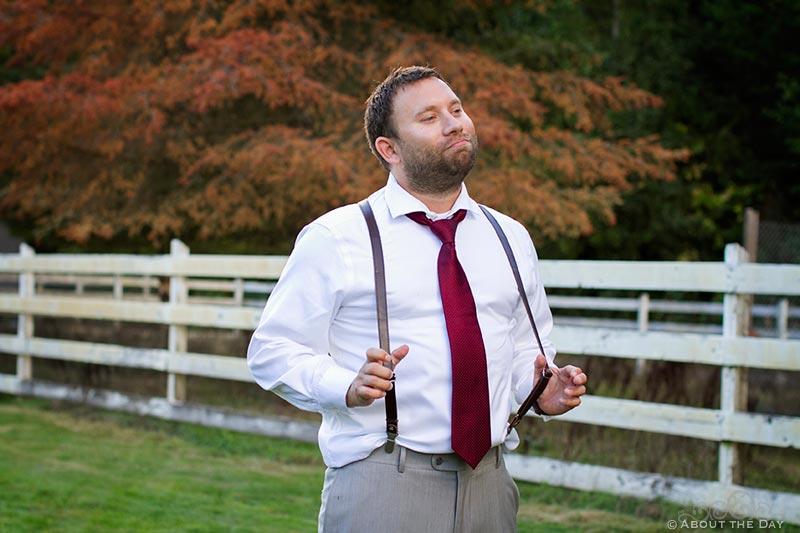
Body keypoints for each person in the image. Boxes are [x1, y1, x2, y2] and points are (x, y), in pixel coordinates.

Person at [247, 65, 587, 532]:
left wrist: (540, 390)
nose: (453, 123)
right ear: (389, 149)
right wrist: (344, 385)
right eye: (428, 118)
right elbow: (272, 350)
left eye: (456, 109)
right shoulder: (338, 236)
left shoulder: (509, 237)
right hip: (384, 482)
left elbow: (525, 349)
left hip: (490, 484)